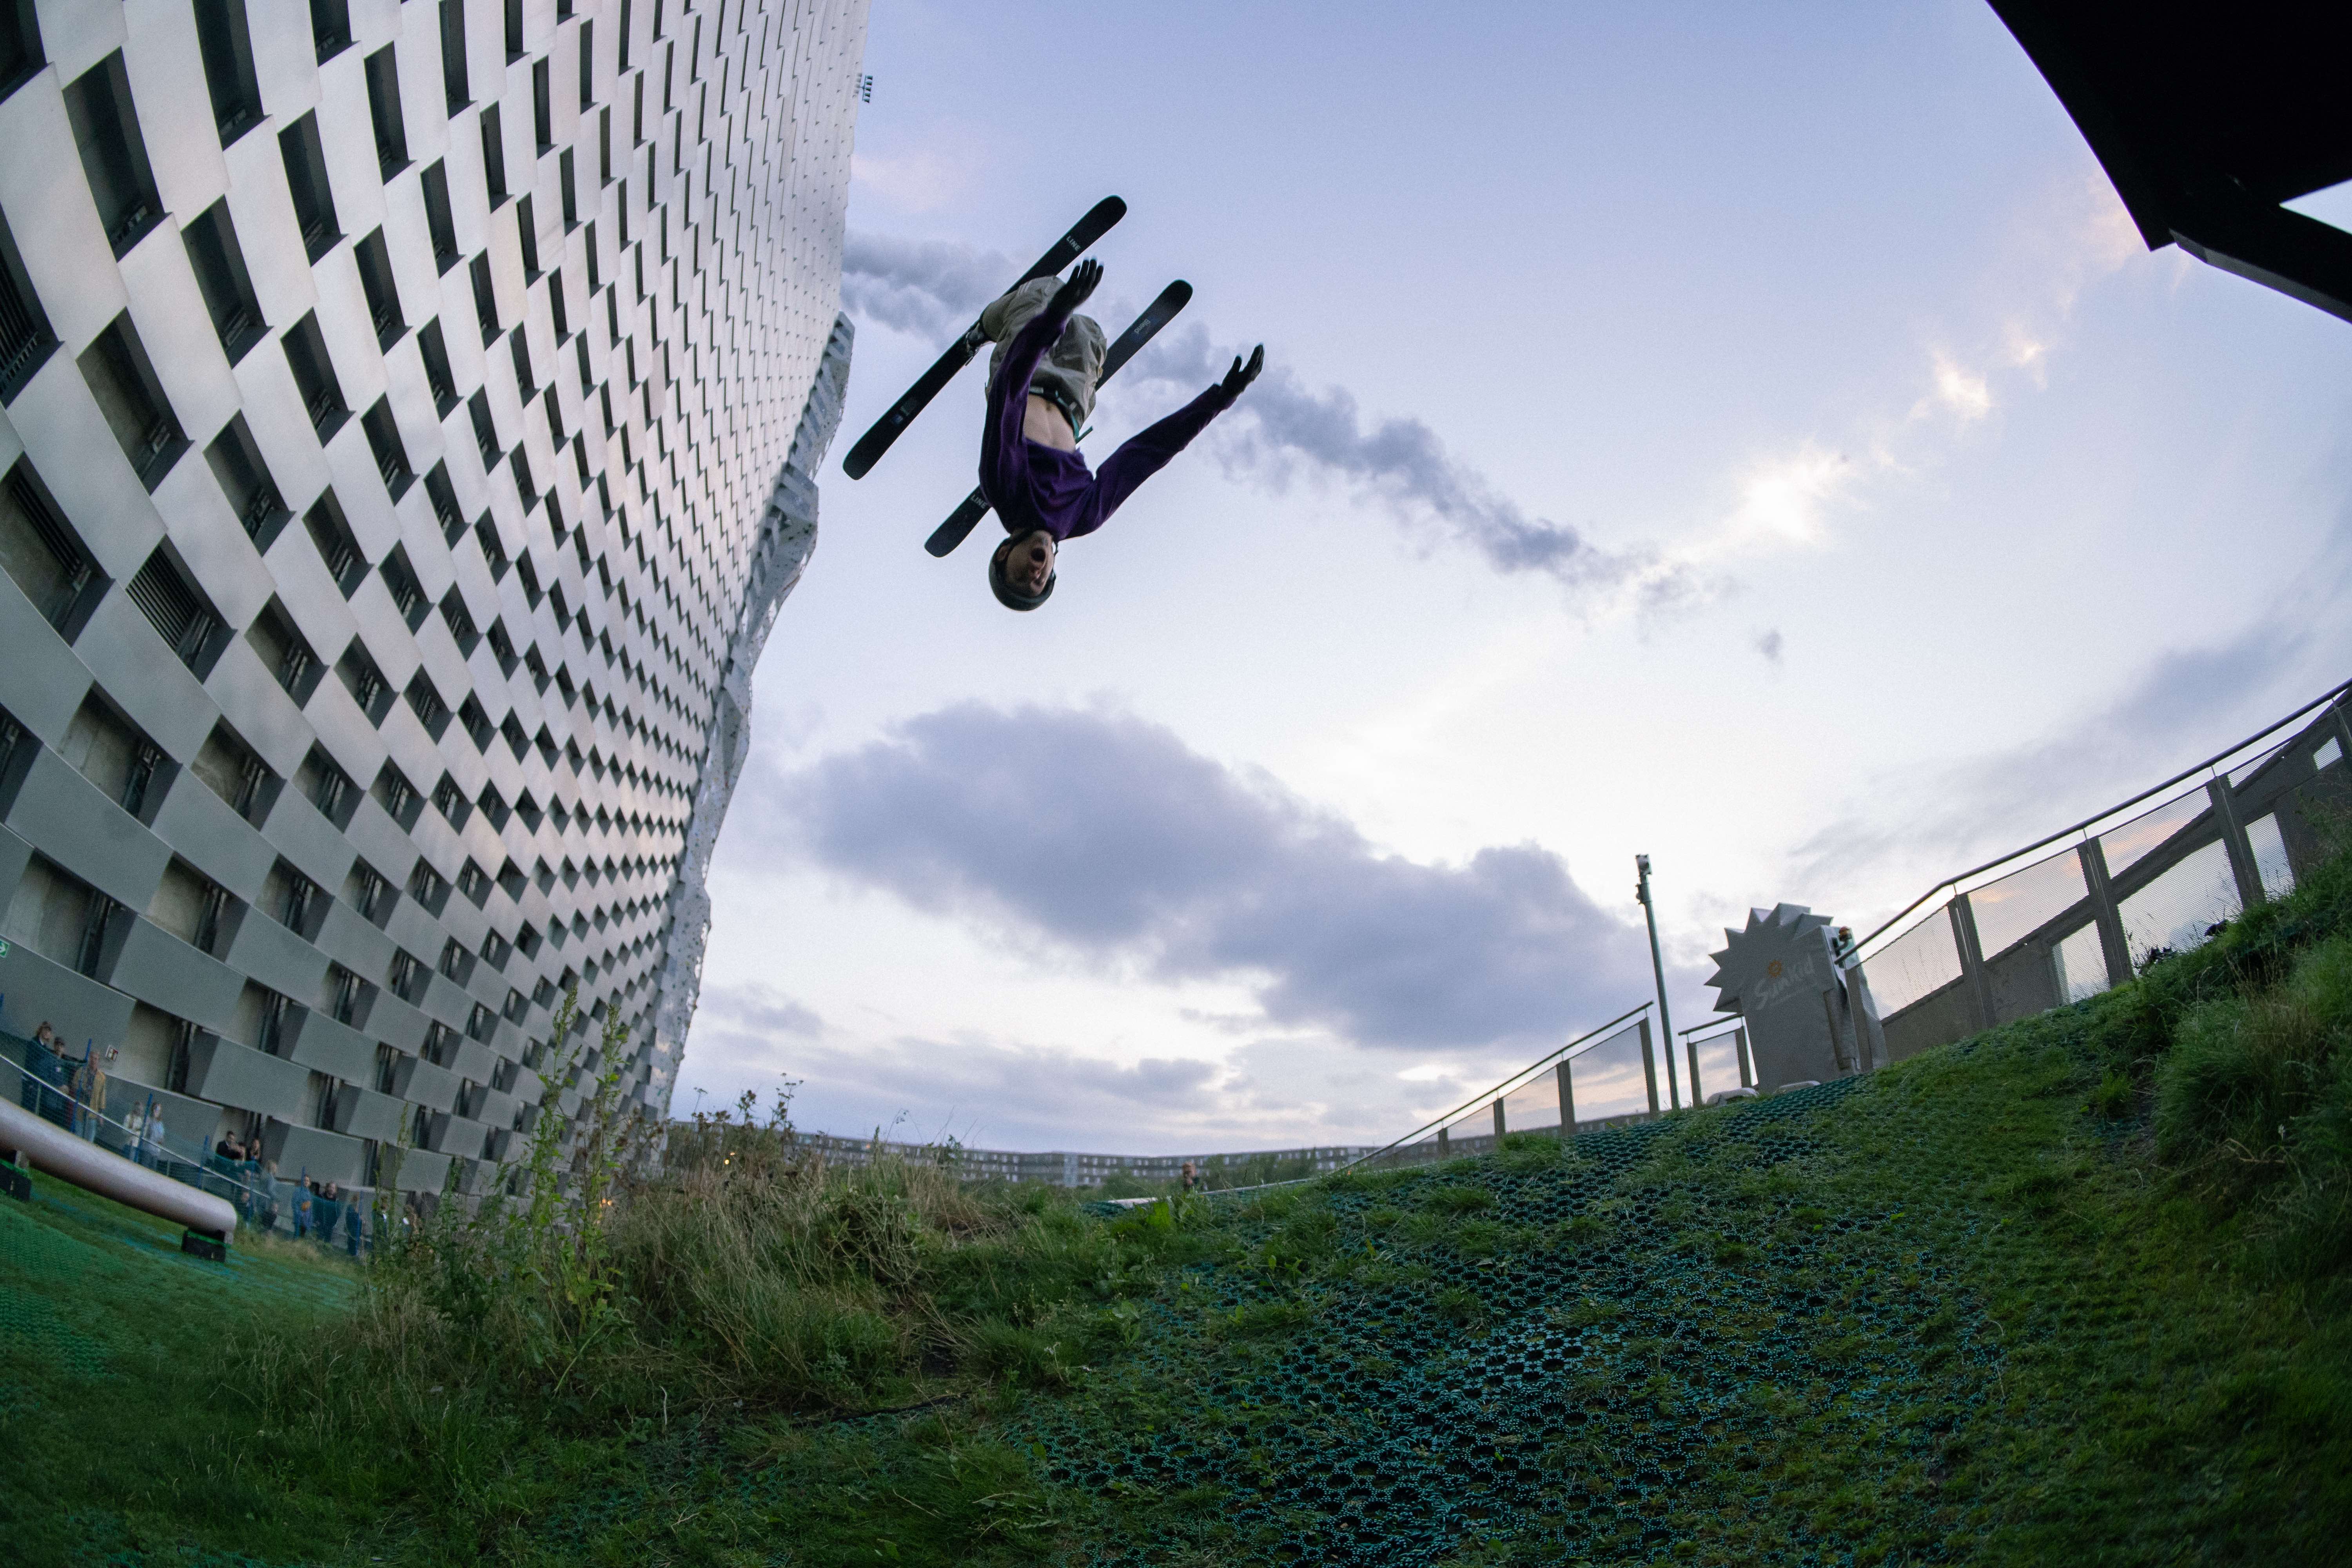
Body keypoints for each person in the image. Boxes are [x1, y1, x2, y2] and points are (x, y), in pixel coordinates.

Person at [977, 259, 1263, 611]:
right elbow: (1145, 454)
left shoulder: (1003, 490)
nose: (1035, 573)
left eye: (1022, 577)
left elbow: (1009, 389)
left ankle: (985, 326)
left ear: (1004, 553)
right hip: (1074, 394)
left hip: (1027, 373)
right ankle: (1048, 317)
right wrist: (1219, 400)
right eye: (1040, 581)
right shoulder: (1084, 516)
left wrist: (1056, 315)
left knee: (1044, 293)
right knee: (1089, 333)